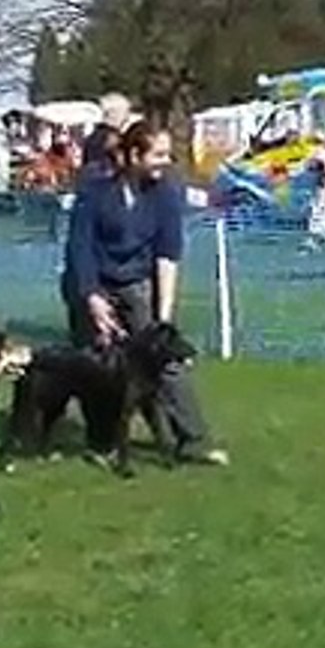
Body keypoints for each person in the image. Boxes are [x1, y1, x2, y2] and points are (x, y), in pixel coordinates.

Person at [64, 121, 227, 468]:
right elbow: (80, 248)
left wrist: (163, 318)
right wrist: (92, 297)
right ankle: (102, 444)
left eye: (167, 155)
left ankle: (192, 439)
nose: (164, 162)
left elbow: (167, 254)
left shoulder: (166, 193)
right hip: (91, 281)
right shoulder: (95, 190)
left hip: (136, 282)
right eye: (158, 154)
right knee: (99, 368)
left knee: (165, 361)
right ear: (133, 155)